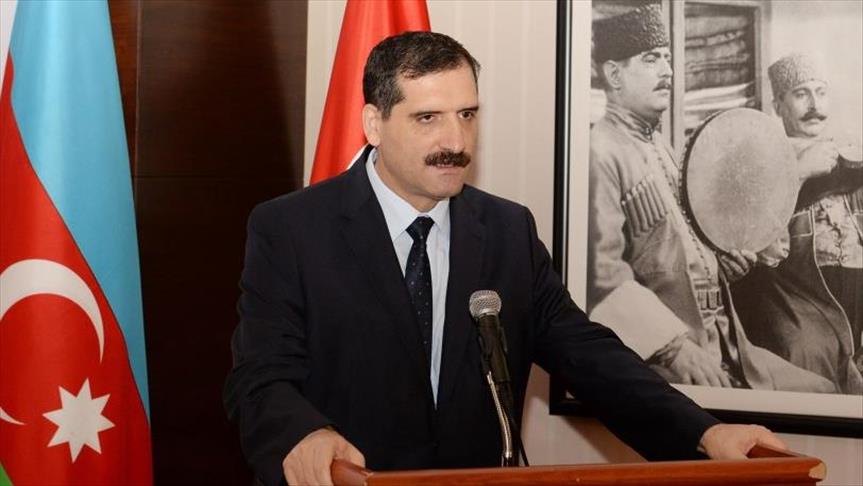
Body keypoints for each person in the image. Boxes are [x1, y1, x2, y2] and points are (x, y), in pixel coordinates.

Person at [225, 30, 786, 486]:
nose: (456, 141)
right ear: (374, 123)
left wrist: (703, 433)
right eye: (428, 118)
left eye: (468, 115)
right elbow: (260, 376)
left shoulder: (506, 230)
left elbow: (589, 355)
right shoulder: (292, 229)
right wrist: (305, 435)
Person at [586, 5, 834, 393]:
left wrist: (722, 266)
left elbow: (678, 250)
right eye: (651, 59)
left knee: (824, 391)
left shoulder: (661, 148)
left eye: (667, 58)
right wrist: (672, 349)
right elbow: (599, 279)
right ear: (614, 74)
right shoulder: (600, 152)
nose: (667, 71)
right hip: (666, 355)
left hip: (725, 344)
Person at [731, 53, 863, 394]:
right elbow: (754, 242)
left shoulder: (850, 161)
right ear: (778, 106)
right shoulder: (758, 160)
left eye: (821, 92)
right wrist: (800, 172)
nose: (814, 105)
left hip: (852, 312)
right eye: (801, 94)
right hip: (792, 311)